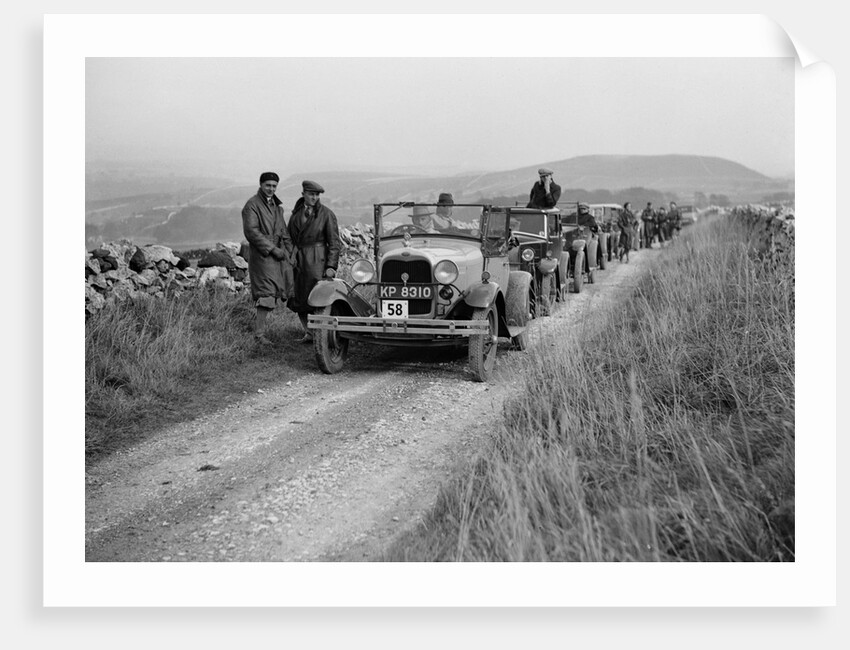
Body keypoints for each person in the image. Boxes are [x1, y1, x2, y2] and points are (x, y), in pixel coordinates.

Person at [241, 171, 295, 345]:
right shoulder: (252, 205)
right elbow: (252, 232)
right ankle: (259, 335)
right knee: (266, 292)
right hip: (262, 255)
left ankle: (308, 331)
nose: (271, 189)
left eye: (274, 186)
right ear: (261, 185)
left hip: (278, 254)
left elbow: (284, 232)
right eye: (268, 185)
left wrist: (290, 252)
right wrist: (272, 249)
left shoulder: (277, 208)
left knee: (285, 288)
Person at [288, 180, 341, 343]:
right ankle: (309, 333)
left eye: (317, 195)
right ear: (303, 194)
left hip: (318, 260)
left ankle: (322, 335)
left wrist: (331, 266)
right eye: (311, 194)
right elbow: (290, 238)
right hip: (299, 261)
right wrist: (291, 256)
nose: (314, 198)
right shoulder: (295, 214)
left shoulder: (326, 214)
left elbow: (334, 242)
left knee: (319, 298)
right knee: (299, 298)